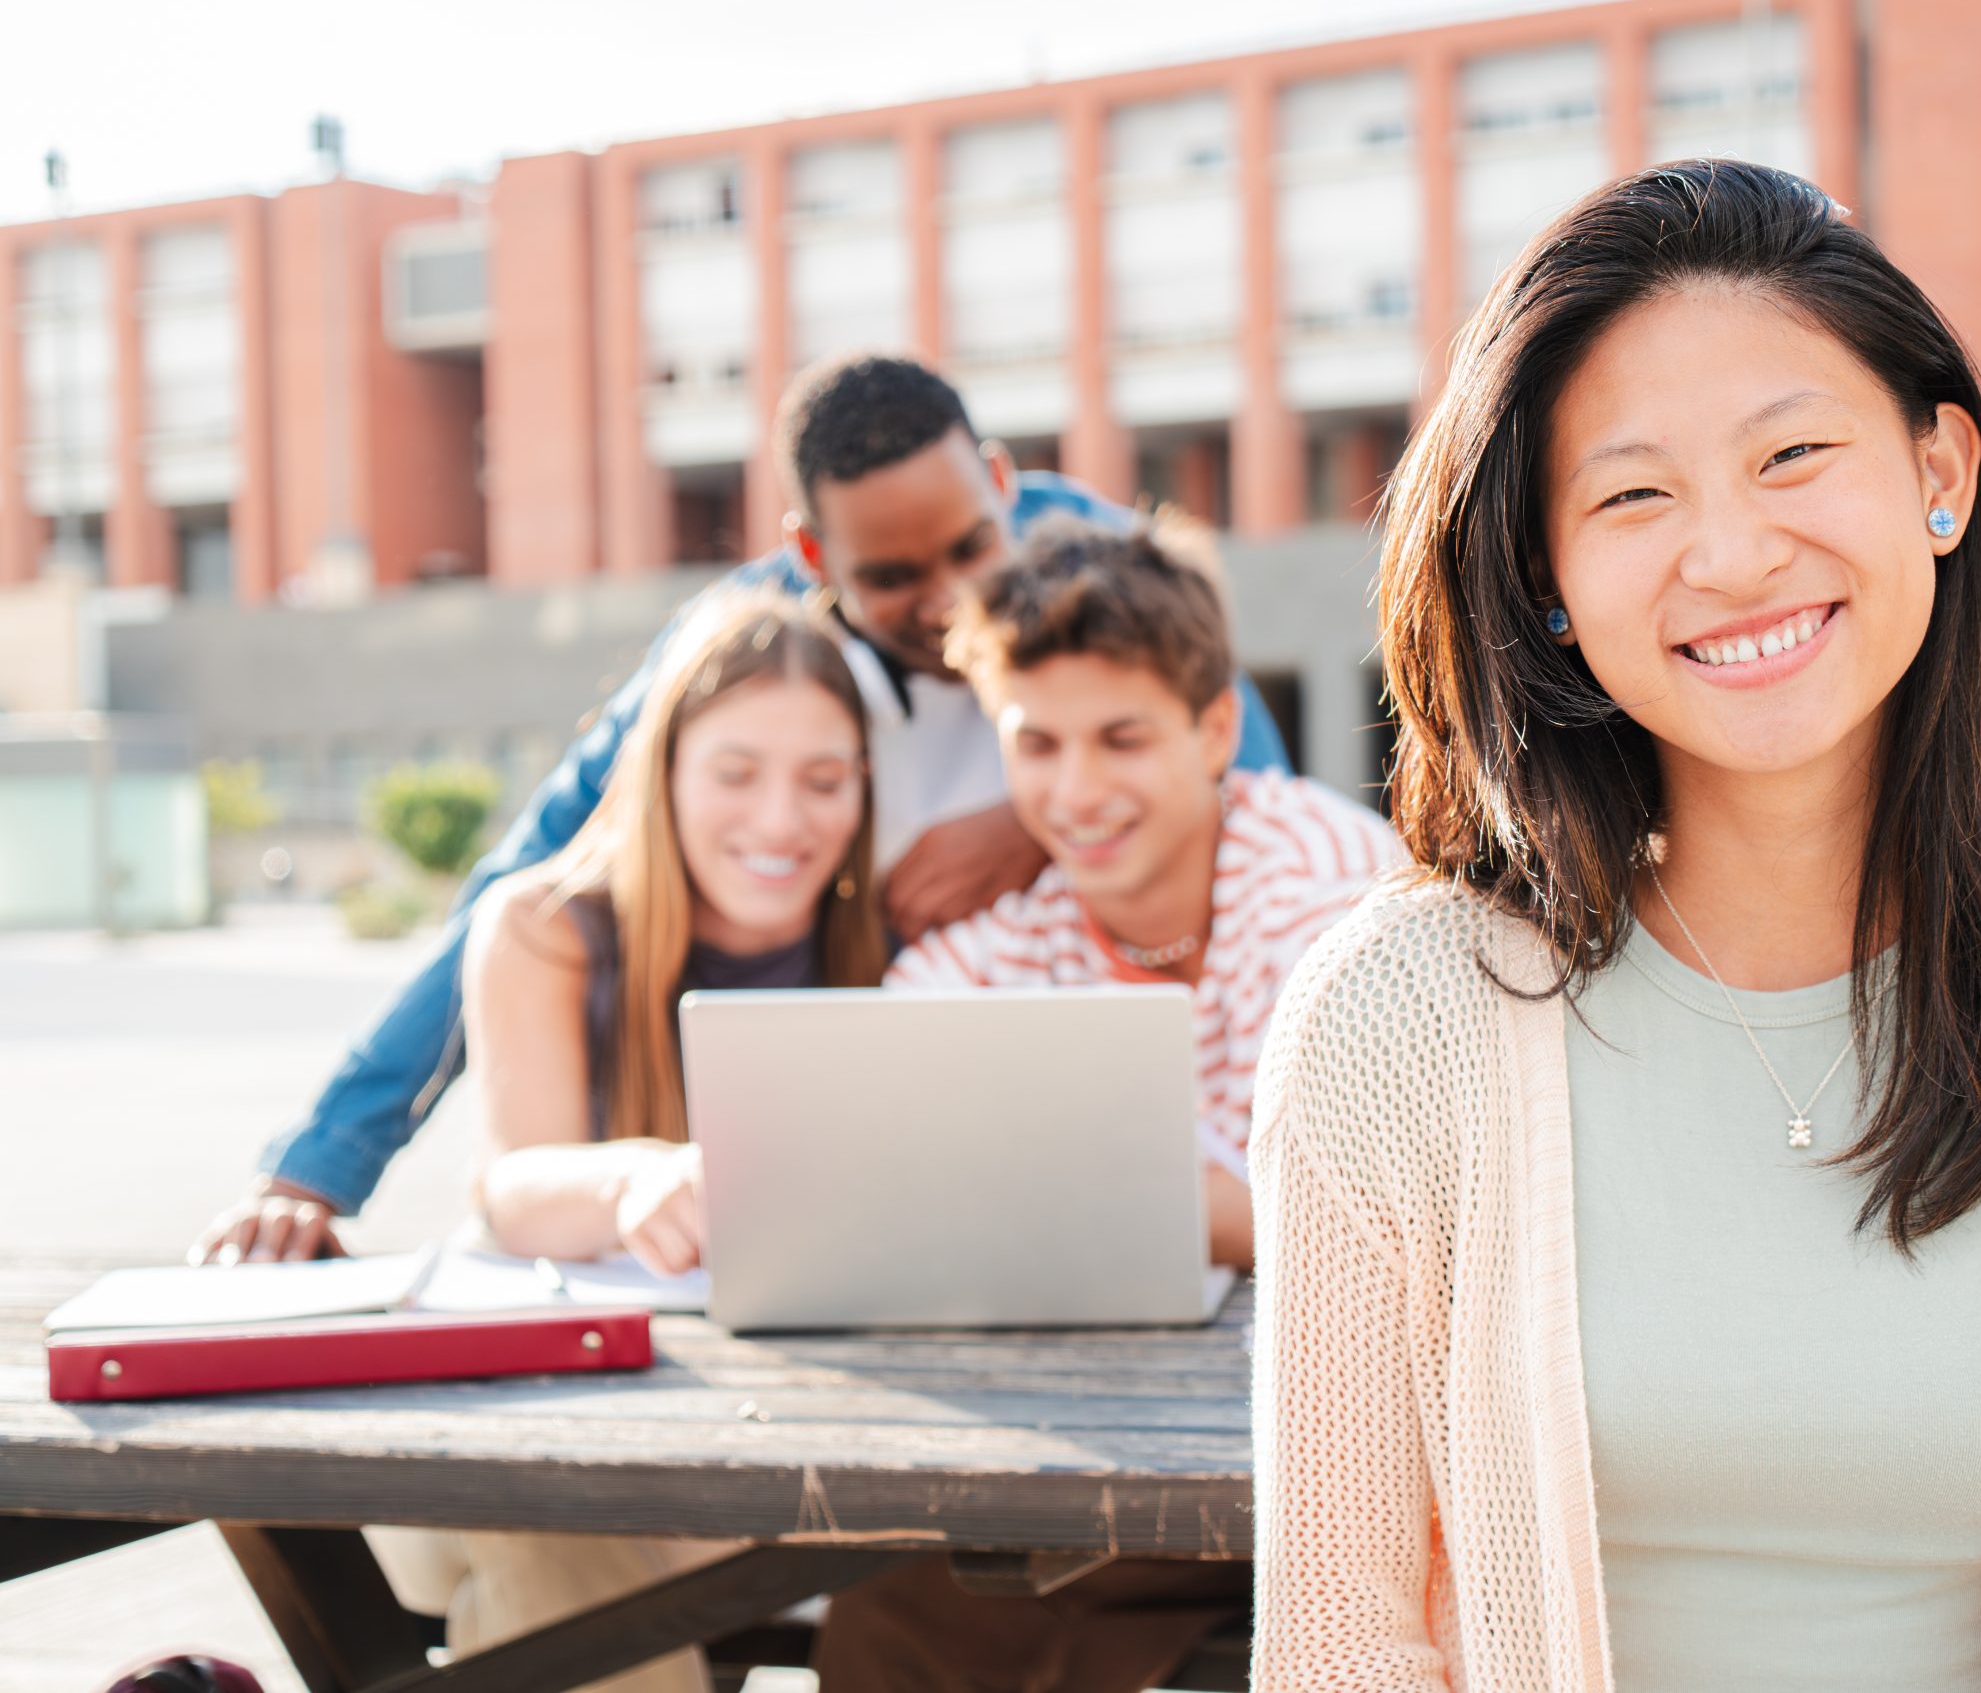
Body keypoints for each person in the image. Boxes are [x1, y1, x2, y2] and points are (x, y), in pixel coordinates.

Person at [1248, 160, 1981, 1690]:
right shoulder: (1394, 1018)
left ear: (1939, 472)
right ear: (1548, 578)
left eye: (1795, 453)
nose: (1733, 552)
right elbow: (1343, 1640)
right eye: (1633, 493)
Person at [190, 355, 1289, 1266]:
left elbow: (1247, 790)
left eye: (969, 546)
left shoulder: (1097, 567)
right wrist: (316, 1172)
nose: (950, 596)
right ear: (817, 557)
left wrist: (1032, 821)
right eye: (895, 575)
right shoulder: (745, 644)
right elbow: (535, 868)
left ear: (1000, 486)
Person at [812, 516, 1403, 1692]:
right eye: (1035, 745)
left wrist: (1145, 1203)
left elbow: (1395, 1227)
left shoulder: (1335, 891)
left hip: (1350, 1449)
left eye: (1121, 738)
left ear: (1215, 730)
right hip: (1098, 1450)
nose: (1075, 792)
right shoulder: (1010, 937)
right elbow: (872, 1130)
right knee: (903, 1616)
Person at [371, 586, 884, 1693]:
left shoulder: (887, 939)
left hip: (771, 1443)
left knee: (538, 1557)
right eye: (736, 772)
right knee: (544, 1516)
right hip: (545, 1423)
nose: (782, 820)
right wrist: (638, 1181)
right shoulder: (542, 926)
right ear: (663, 773)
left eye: (824, 780)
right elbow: (514, 1183)